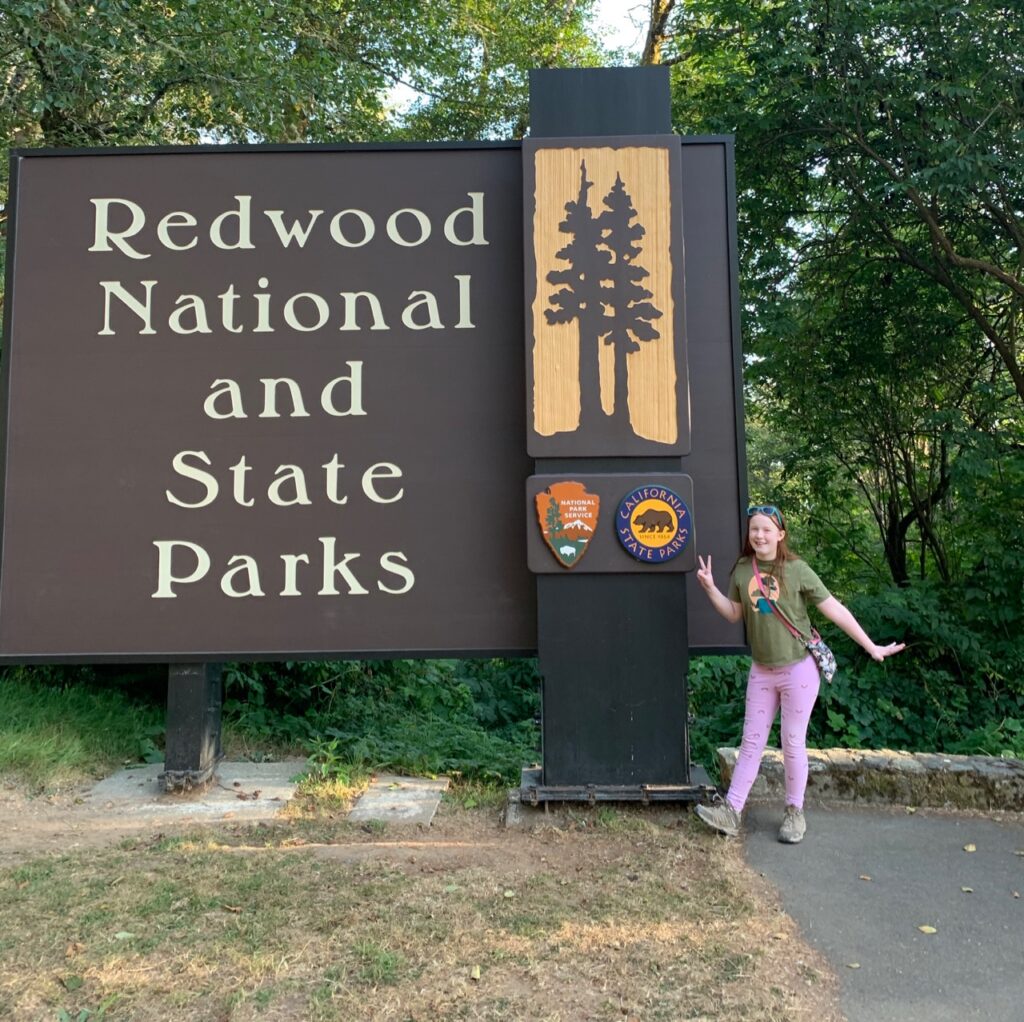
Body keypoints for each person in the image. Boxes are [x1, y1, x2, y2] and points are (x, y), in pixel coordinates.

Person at [693, 504, 905, 844]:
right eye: (754, 530)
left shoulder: (797, 570)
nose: (759, 535)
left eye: (766, 529)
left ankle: (794, 812)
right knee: (751, 742)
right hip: (762, 671)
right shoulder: (743, 570)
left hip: (798, 671)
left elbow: (834, 608)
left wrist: (871, 646)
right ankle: (730, 811)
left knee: (792, 742)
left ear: (780, 534)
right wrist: (710, 588)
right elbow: (734, 614)